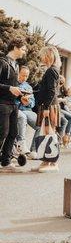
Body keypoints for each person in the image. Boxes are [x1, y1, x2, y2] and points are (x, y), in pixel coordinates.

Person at [0, 37, 27, 172]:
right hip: (2, 104)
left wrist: (22, 95)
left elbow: (14, 86)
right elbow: (7, 86)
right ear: (15, 47)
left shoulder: (16, 65)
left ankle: (5, 162)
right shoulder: (2, 62)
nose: (24, 52)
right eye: (22, 49)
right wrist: (9, 88)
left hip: (13, 104)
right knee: (2, 133)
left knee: (13, 133)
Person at [33, 45, 62, 173]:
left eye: (43, 55)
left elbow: (51, 91)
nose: (42, 58)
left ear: (49, 55)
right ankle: (47, 161)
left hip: (49, 106)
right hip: (49, 105)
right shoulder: (53, 70)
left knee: (49, 134)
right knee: (48, 134)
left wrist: (46, 107)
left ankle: (52, 162)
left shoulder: (51, 71)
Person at [15, 66, 39, 156]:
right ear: (18, 73)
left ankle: (33, 150)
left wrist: (27, 102)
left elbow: (32, 103)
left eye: (26, 76)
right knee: (22, 117)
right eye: (22, 75)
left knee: (41, 123)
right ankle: (21, 144)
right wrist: (19, 100)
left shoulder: (28, 87)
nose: (24, 78)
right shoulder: (13, 84)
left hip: (27, 110)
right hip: (17, 109)